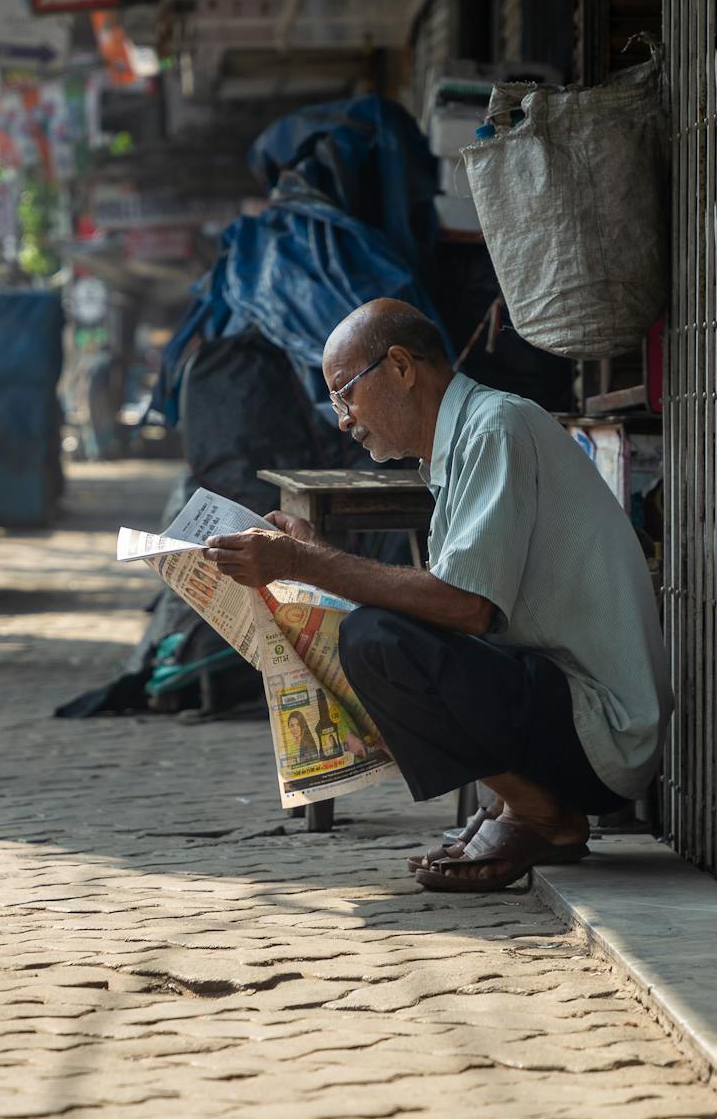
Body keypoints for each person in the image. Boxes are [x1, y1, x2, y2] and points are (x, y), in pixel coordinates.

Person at [204, 299, 672, 892]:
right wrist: (312, 560)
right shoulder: (461, 444)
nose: (343, 420)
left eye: (345, 394)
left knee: (376, 640)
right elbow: (450, 607)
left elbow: (464, 607)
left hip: (602, 737)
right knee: (372, 632)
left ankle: (540, 812)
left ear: (401, 366)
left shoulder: (495, 427)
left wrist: (305, 561)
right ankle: (526, 806)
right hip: (565, 711)